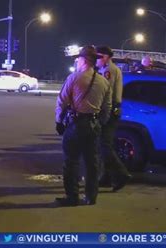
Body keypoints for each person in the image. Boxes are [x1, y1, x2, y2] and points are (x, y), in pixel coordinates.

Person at [55, 45, 112, 206]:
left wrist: (58, 121)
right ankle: (91, 197)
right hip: (94, 125)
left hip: (75, 125)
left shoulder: (74, 78)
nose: (77, 61)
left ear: (84, 60)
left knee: (71, 162)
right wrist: (99, 122)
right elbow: (107, 108)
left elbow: (62, 101)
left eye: (78, 58)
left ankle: (72, 197)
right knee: (92, 163)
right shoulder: (103, 81)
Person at [96, 46, 132, 192]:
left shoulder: (108, 71)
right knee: (104, 144)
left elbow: (105, 91)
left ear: (105, 57)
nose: (96, 60)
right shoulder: (108, 69)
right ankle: (107, 177)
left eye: (99, 57)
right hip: (111, 110)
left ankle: (121, 174)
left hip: (109, 110)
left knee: (105, 145)